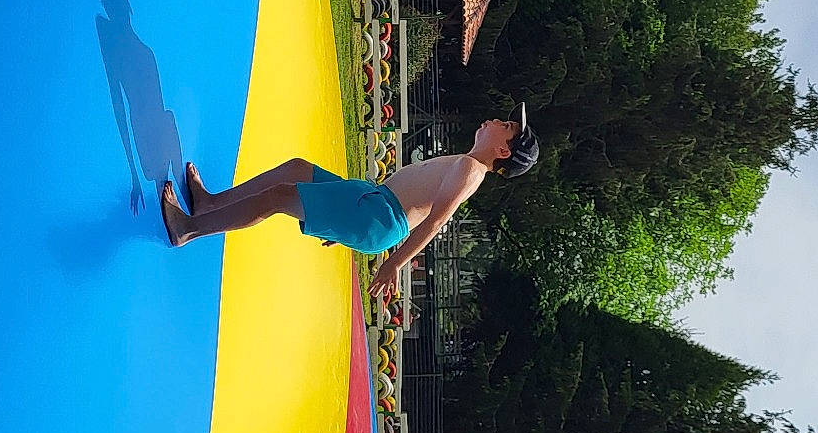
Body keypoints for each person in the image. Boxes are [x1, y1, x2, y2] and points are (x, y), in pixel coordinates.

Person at [160, 106, 540, 305]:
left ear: (503, 150)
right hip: (372, 202)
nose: (494, 120)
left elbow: (435, 221)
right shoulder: (467, 164)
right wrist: (343, 226)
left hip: (378, 216)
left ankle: (188, 228)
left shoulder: (471, 169)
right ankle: (210, 203)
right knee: (296, 170)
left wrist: (393, 263)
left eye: (504, 124)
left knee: (279, 197)